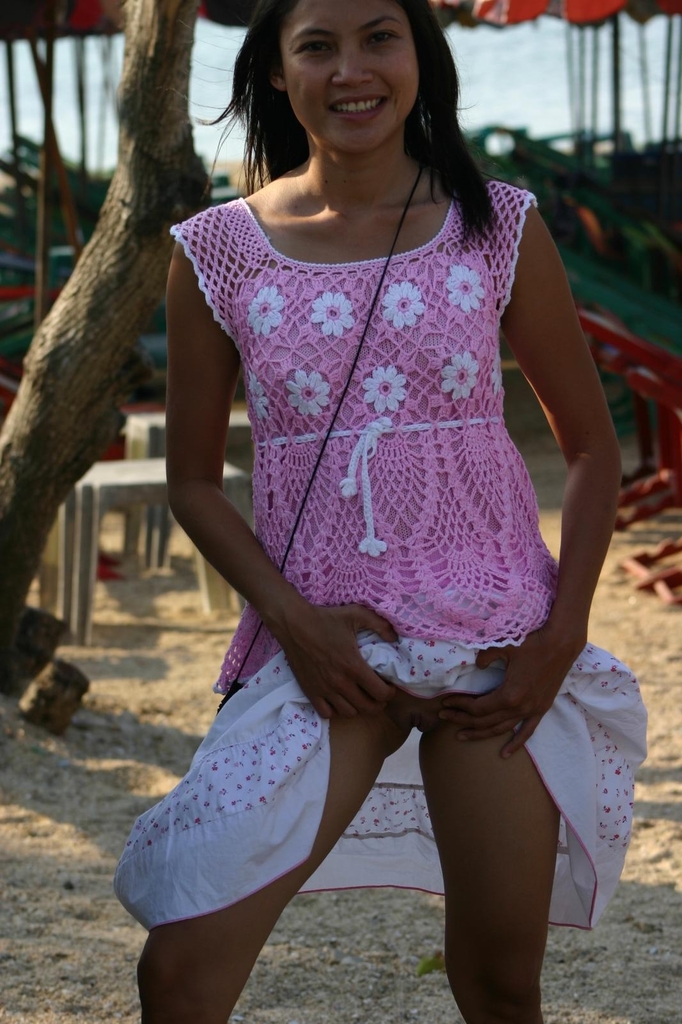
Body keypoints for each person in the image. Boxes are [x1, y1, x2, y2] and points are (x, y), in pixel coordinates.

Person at [113, 1, 648, 1021]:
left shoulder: (497, 224)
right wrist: (297, 625)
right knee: (178, 973)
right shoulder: (219, 250)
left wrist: (559, 638)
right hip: (323, 648)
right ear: (277, 71)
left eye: (378, 38)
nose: (350, 70)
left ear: (419, 56)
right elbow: (193, 483)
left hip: (498, 641)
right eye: (317, 46)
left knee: (499, 984)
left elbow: (589, 448)